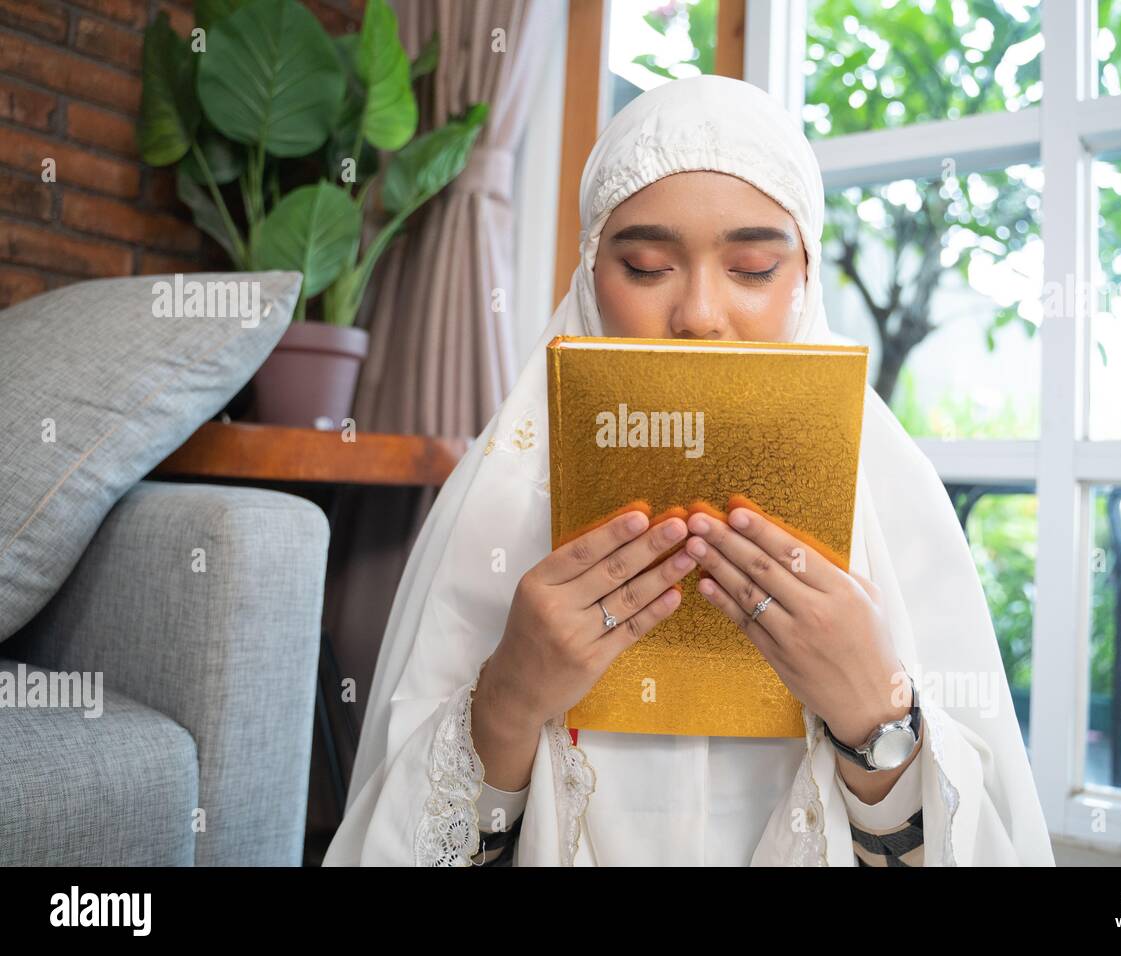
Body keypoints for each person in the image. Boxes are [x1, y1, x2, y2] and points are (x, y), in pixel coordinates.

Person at [323, 74, 1055, 867]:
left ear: (805, 284)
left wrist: (876, 716)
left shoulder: (894, 505)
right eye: (643, 266)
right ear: (588, 283)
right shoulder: (500, 509)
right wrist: (507, 702)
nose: (700, 316)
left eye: (751, 269)